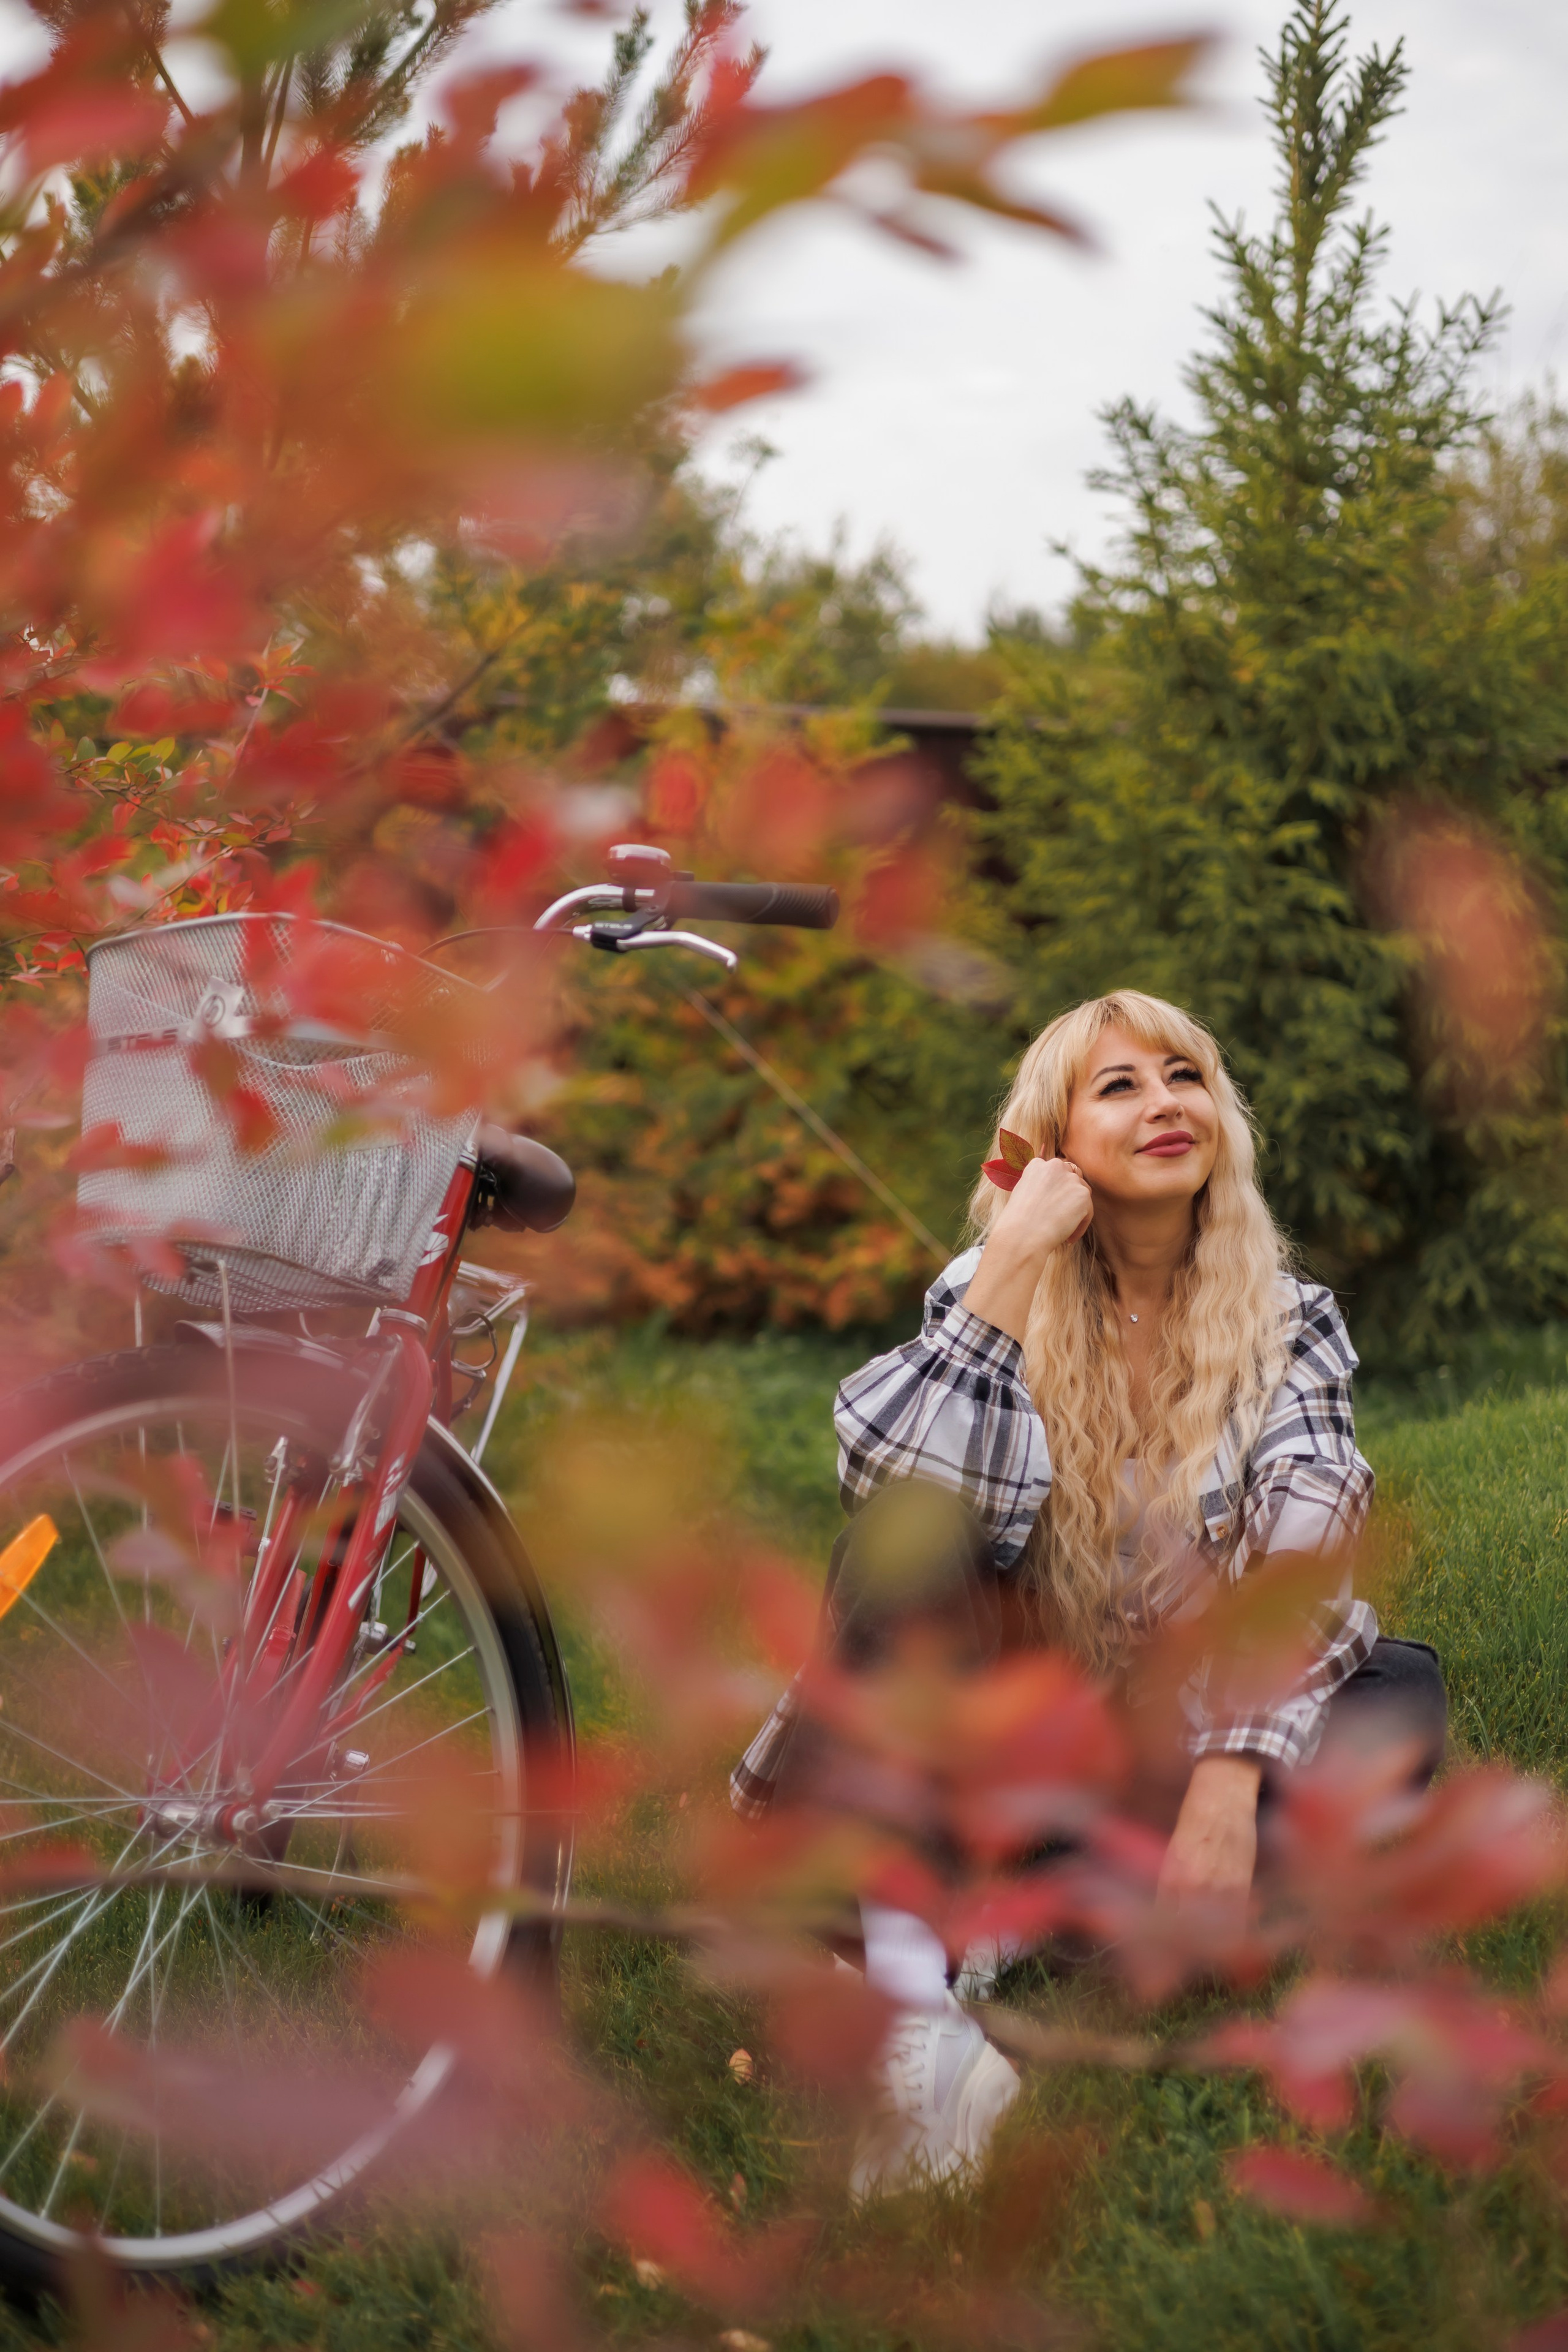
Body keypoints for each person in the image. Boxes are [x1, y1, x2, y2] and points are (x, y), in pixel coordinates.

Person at [731, 990, 1446, 2200]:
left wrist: (1226, 1781)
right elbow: (890, 1490)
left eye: (1184, 1077)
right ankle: (920, 2018)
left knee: (1396, 1697)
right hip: (1007, 1731)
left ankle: (1017, 1921)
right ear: (1050, 1142)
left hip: (1180, 1741)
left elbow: (1301, 1547)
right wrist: (1011, 1259)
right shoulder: (990, 1281)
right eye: (1118, 1085)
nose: (1164, 1103)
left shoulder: (1287, 1315)